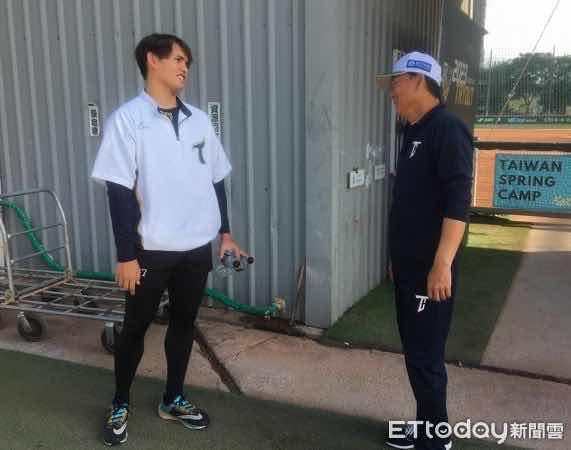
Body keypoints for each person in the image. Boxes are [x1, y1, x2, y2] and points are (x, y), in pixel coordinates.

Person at [91, 33, 245, 446]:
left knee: (184, 324)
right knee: (135, 329)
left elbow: (216, 179)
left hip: (196, 249)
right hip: (150, 251)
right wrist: (126, 255)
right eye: (178, 59)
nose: (185, 67)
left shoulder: (198, 120)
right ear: (151, 60)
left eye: (187, 62)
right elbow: (118, 191)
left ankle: (173, 398)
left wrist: (225, 234)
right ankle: (120, 402)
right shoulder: (127, 120)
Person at [376, 51, 474, 450]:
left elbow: (457, 203)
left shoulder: (448, 129)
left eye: (396, 82)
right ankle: (427, 426)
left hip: (430, 273)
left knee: (426, 356)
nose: (391, 92)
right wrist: (397, 260)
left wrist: (442, 264)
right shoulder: (413, 131)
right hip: (409, 268)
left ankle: (436, 439)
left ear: (418, 80)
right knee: (416, 352)